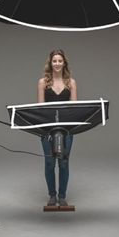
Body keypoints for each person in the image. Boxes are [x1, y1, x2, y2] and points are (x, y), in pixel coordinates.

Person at [37, 49, 77, 207]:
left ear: (64, 63)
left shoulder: (71, 83)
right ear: (50, 63)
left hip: (67, 130)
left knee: (64, 163)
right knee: (49, 163)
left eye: (60, 61)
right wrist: (43, 129)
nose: (57, 63)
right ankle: (52, 196)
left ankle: (62, 196)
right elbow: (39, 109)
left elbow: (75, 110)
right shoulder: (43, 83)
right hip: (47, 130)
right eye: (55, 61)